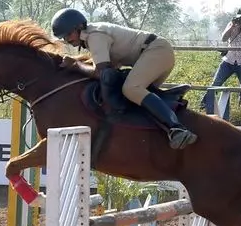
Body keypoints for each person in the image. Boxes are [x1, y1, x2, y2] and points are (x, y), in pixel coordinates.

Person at [50, 8, 197, 149]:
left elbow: (103, 73)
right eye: (64, 37)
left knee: (131, 89)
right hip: (156, 53)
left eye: (69, 34)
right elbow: (109, 70)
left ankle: (177, 128)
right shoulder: (93, 36)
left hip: (156, 51)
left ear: (80, 27)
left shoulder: (95, 36)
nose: (67, 39)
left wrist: (75, 65)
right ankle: (167, 109)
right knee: (136, 98)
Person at [200, 7, 241, 118]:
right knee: (215, 84)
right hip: (229, 59)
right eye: (239, 17)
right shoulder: (232, 23)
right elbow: (224, 38)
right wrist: (233, 26)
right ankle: (203, 107)